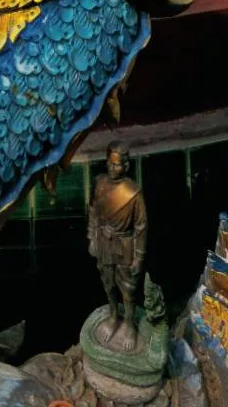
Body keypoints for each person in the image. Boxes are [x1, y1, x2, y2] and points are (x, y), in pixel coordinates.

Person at [87, 145, 147, 349]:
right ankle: (114, 315)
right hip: (104, 243)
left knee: (128, 288)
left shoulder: (133, 193)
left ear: (126, 165)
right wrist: (92, 237)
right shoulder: (99, 183)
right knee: (108, 283)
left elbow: (141, 227)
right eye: (110, 163)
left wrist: (139, 257)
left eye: (117, 164)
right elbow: (93, 211)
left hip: (125, 245)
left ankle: (129, 323)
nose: (112, 168)